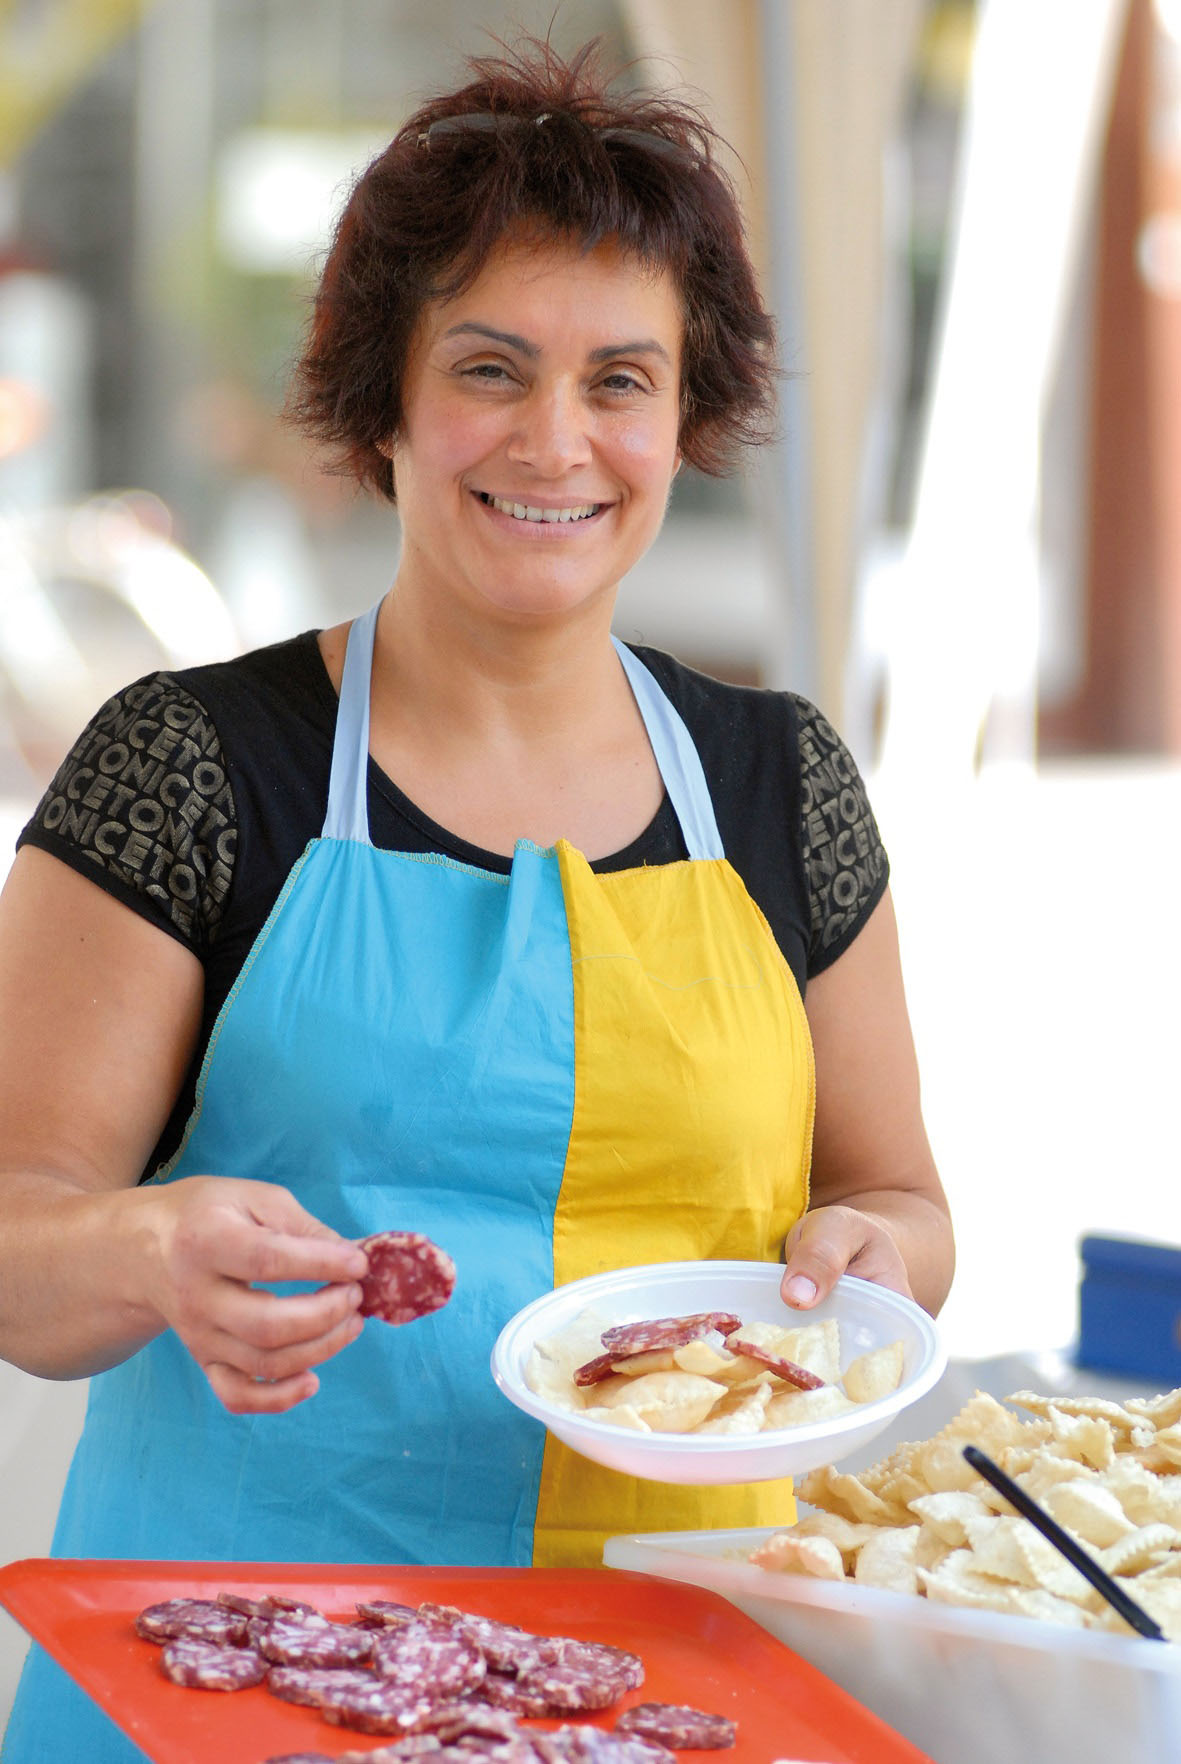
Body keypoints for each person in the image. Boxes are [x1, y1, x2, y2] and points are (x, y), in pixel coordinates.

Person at [0, 38, 953, 1762]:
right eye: (490, 368)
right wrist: (145, 1249)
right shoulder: (193, 763)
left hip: (674, 1685)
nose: (554, 440)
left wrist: (873, 1266)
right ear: (382, 399)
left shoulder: (780, 782)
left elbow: (898, 1202)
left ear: (686, 419)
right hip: (242, 1683)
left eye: (619, 380)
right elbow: (15, 1248)